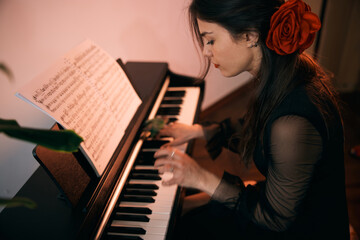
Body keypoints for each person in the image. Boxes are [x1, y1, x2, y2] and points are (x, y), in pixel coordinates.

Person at [154, 0, 350, 239]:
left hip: (300, 227)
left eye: (211, 40)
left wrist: (201, 177)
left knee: (186, 226)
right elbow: (258, 128)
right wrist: (199, 131)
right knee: (183, 210)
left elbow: (275, 219)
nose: (206, 51)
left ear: (250, 36)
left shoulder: (291, 123)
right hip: (284, 202)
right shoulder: (285, 74)